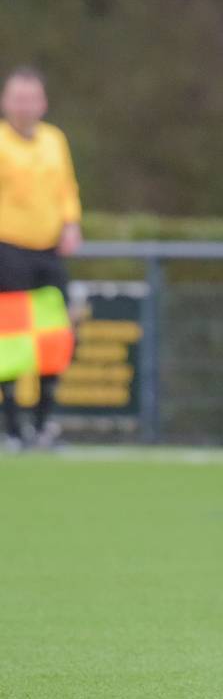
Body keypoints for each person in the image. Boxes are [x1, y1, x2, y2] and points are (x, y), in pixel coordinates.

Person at [0, 67, 82, 451]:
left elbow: (66, 188)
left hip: (47, 252)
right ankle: (11, 426)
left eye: (31, 98)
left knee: (55, 337)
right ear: (5, 102)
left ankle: (44, 422)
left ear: (43, 103)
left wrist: (71, 223)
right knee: (11, 342)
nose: (25, 106)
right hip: (7, 250)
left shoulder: (54, 140)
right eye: (18, 98)